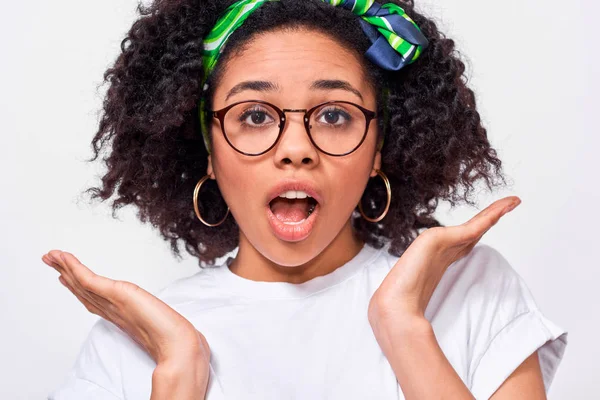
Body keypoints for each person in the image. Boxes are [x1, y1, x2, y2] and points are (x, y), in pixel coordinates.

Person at [43, 0, 568, 399]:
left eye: (335, 115)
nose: (295, 150)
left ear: (379, 147)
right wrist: (180, 368)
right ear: (208, 148)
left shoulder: (470, 293)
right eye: (254, 115)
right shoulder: (132, 343)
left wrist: (403, 325)